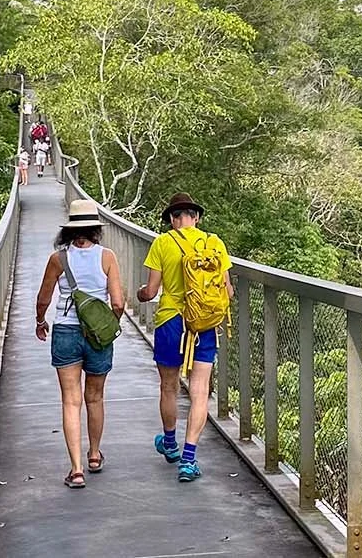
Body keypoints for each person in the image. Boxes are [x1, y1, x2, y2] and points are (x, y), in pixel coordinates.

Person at [136, 192, 232, 482]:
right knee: (200, 389)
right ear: (197, 217)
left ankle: (170, 443)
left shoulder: (163, 242)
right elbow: (227, 291)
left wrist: (141, 293)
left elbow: (151, 292)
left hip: (172, 322)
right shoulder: (214, 243)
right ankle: (189, 460)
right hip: (204, 322)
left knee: (168, 386)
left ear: (171, 219)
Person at [35, 199, 125, 488]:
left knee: (70, 401)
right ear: (96, 230)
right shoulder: (107, 256)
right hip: (97, 336)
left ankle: (76, 470)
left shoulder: (58, 259)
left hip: (65, 332)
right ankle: (95, 454)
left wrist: (40, 321)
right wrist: (109, 323)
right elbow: (119, 303)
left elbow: (44, 298)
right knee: (95, 397)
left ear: (69, 230)